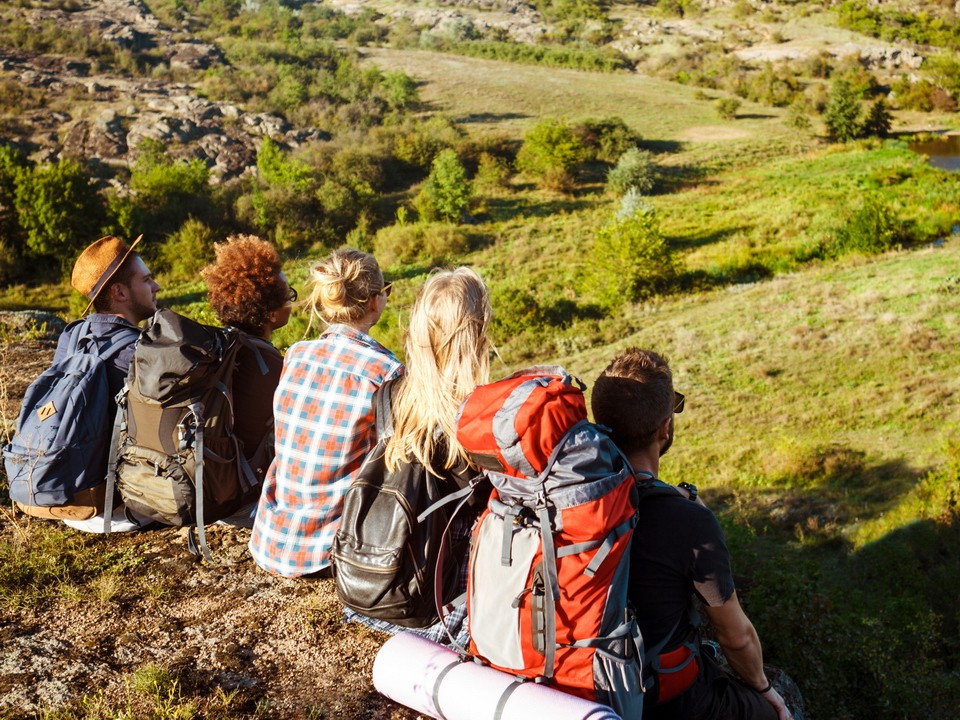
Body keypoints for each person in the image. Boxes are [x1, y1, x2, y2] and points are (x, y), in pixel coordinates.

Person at [591, 347, 792, 720]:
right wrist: (766, 689)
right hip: (661, 699)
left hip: (583, 685)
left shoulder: (569, 499)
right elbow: (735, 635)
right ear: (665, 427)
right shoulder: (687, 520)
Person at [343, 267, 493, 645]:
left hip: (373, 587)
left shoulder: (390, 394)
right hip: (437, 605)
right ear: (477, 331)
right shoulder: (481, 413)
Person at [248, 248, 403, 578]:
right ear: (376, 301)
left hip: (271, 538)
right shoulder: (386, 371)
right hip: (329, 549)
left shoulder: (296, 355)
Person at [60, 235, 161, 531]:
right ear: (119, 292)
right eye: (147, 280)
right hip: (120, 511)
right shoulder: (139, 352)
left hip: (71, 505)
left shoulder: (72, 336)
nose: (156, 287)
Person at [200, 234, 292, 467]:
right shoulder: (272, 367)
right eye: (288, 296)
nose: (291, 302)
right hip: (245, 484)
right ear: (270, 314)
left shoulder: (216, 347)